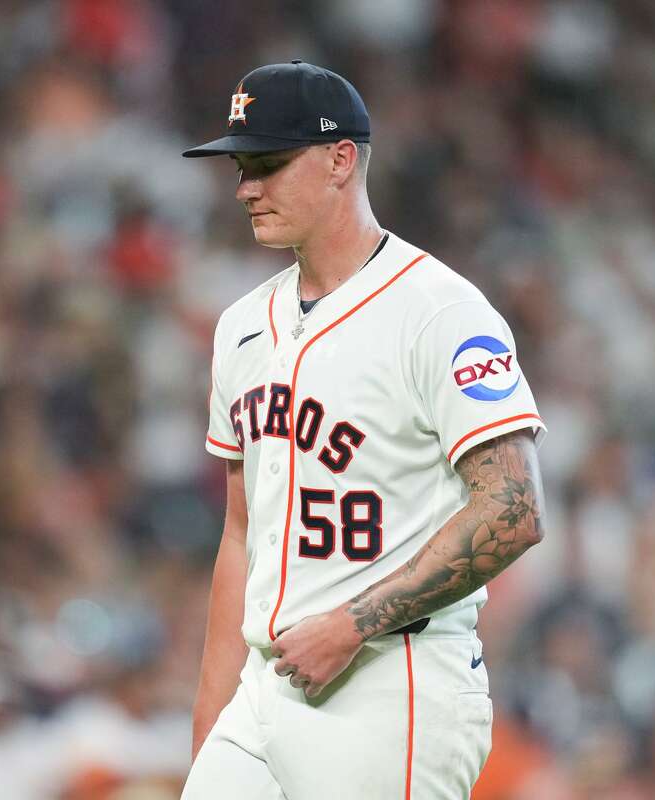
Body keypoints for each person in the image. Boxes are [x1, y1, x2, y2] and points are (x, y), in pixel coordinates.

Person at [179, 61, 548, 799]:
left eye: (268, 164)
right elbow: (240, 534)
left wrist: (352, 623)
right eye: (240, 167)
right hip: (264, 684)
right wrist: (214, 719)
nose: (246, 187)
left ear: (340, 159)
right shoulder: (242, 326)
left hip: (393, 680)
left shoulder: (440, 312)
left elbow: (513, 509)